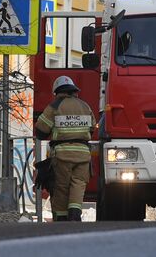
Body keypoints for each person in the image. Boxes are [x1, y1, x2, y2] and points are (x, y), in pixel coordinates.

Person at [35, 75, 95, 222]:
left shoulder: (54, 106)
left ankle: (61, 219)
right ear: (74, 90)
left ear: (57, 91)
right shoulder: (84, 106)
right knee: (78, 185)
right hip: (83, 154)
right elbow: (92, 128)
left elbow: (41, 131)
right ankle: (75, 213)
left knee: (61, 186)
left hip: (62, 155)